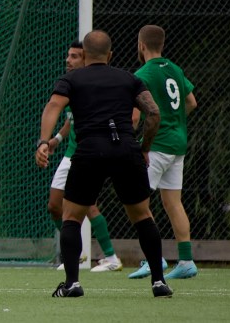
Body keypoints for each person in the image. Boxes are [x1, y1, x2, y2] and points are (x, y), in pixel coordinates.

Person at [36, 30, 172, 298]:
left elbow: (53, 105)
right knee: (143, 216)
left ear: (85, 55)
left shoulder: (71, 79)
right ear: (110, 55)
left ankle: (72, 284)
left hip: (90, 151)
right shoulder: (129, 79)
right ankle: (159, 282)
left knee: (71, 217)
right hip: (126, 150)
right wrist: (144, 147)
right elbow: (154, 113)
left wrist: (43, 141)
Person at [36, 41, 122, 272]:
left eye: (74, 56)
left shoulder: (93, 84)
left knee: (89, 206)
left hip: (87, 154)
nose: (68, 60)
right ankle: (75, 253)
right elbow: (69, 120)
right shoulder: (70, 83)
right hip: (70, 154)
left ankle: (111, 257)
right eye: (68, 55)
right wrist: (56, 140)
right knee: (54, 205)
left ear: (86, 59)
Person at [127, 25, 198, 280]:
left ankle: (153, 259)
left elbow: (135, 117)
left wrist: (130, 140)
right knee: (172, 202)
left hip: (157, 146)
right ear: (162, 45)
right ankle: (186, 260)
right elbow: (191, 102)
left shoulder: (142, 74)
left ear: (141, 45)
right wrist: (174, 121)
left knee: (138, 202)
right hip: (178, 144)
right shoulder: (175, 69)